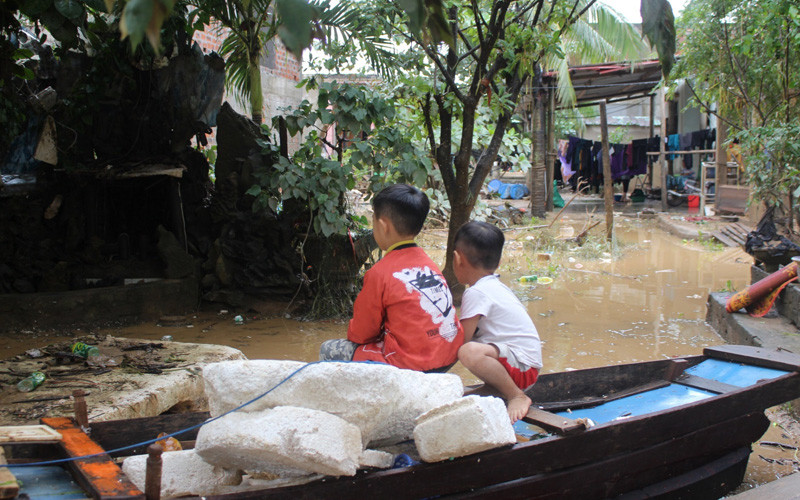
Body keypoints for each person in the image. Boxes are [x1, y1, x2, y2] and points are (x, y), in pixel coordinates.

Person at [319, 184, 464, 372]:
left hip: (414, 364)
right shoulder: (430, 265)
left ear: (382, 225)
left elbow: (361, 334)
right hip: (450, 354)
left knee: (328, 349)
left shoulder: (379, 273)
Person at [454, 221, 542, 422]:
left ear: (457, 259)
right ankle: (495, 388)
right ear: (498, 261)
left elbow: (461, 340)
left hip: (524, 370)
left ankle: (516, 395)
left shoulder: (476, 292)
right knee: (473, 350)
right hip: (523, 364)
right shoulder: (493, 286)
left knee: (468, 351)